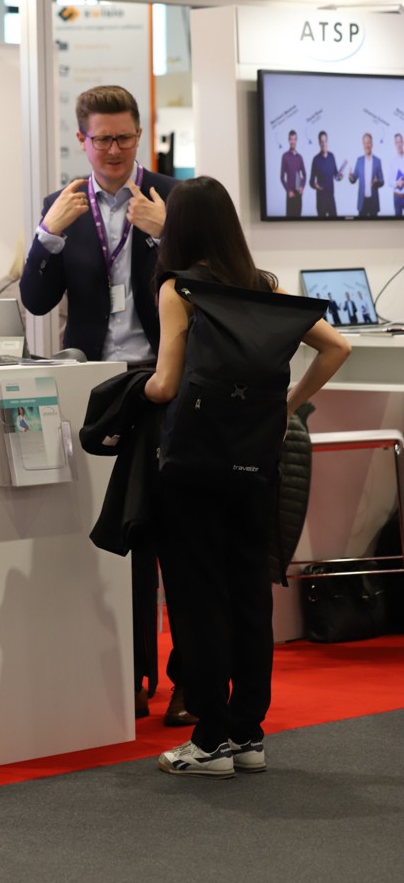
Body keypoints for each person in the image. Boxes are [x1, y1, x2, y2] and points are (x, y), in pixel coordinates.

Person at [144, 176, 350, 777]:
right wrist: (286, 406)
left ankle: (209, 738)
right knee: (249, 594)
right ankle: (247, 734)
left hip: (192, 464)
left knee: (198, 598)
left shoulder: (180, 288)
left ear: (179, 229)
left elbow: (165, 383)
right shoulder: (266, 287)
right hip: (255, 461)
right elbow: (337, 347)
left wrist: (131, 392)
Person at [20, 85, 188, 723]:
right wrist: (47, 235)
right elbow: (36, 301)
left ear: (139, 136)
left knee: (175, 538)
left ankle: (188, 678)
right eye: (101, 139)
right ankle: (130, 674)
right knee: (121, 533)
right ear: (82, 140)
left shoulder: (175, 198)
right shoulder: (62, 204)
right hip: (98, 388)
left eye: (123, 137)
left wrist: (168, 235)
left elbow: (212, 285)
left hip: (165, 381)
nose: (113, 150)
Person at [309, 131, 346, 219]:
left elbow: (335, 175)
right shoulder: (315, 159)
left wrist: (340, 177)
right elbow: (311, 181)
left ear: (327, 142)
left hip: (331, 197)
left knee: (335, 223)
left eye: (325, 141)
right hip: (321, 200)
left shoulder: (331, 156)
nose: (324, 144)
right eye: (321, 142)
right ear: (319, 143)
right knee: (322, 226)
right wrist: (315, 185)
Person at [349, 133, 385, 218]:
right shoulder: (359, 161)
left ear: (372, 144)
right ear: (363, 145)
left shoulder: (377, 161)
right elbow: (354, 179)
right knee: (361, 226)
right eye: (365, 143)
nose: (367, 145)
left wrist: (376, 182)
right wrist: (351, 177)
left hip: (373, 201)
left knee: (375, 226)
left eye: (368, 143)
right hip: (362, 202)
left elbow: (382, 181)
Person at [280, 130, 306, 218]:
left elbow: (304, 174)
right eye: (291, 139)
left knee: (299, 220)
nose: (292, 141)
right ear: (288, 140)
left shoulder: (299, 157)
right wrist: (288, 191)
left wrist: (302, 186)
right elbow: (282, 177)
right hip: (290, 194)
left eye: (294, 139)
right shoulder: (285, 156)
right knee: (289, 220)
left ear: (296, 141)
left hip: (298, 193)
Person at [390, 132, 404, 218]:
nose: (399, 144)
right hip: (397, 197)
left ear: (403, 142)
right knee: (397, 222)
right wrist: (396, 183)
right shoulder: (393, 161)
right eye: (397, 142)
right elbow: (389, 181)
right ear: (395, 144)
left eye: (400, 142)